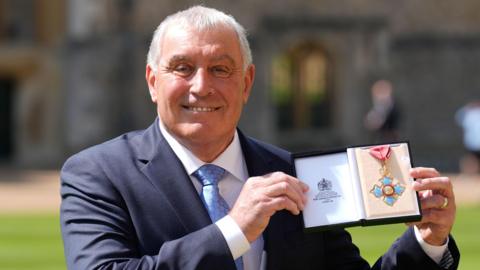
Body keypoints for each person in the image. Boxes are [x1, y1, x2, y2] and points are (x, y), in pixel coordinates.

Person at [60, 6, 459, 270]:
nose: (201, 87)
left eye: (220, 69)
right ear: (152, 81)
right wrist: (234, 230)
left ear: (246, 83)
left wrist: (427, 242)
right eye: (182, 67)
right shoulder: (97, 173)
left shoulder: (294, 174)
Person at [455, 101, 480, 174]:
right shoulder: (469, 114)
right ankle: (470, 173)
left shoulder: (469, 114)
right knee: (473, 159)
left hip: (472, 142)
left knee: (473, 159)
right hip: (473, 142)